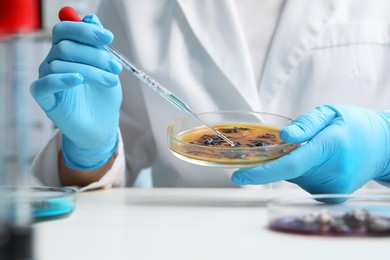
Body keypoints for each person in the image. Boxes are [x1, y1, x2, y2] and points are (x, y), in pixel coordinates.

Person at [30, 0, 390, 194]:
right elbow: (101, 188)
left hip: (351, 237)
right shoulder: (135, 5)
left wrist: (385, 147)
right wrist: (89, 152)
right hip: (189, 243)